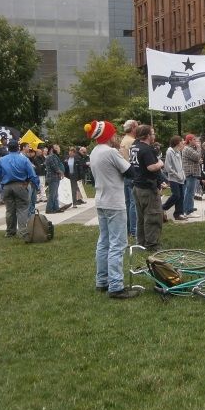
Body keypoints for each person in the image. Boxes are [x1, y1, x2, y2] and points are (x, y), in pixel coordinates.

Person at [84, 120, 140, 299]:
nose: (116, 137)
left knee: (104, 242)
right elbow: (131, 172)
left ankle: (102, 280)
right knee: (118, 243)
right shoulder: (111, 152)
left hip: (100, 200)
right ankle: (116, 285)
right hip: (115, 202)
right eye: (114, 134)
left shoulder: (94, 152)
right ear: (108, 136)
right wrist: (124, 156)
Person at [0, 140, 40, 239]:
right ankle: (22, 232)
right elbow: (32, 174)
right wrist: (37, 186)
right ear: (18, 148)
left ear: (8, 148)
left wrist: (2, 180)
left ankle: (10, 232)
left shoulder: (1, 160)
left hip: (6, 186)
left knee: (9, 210)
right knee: (22, 209)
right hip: (21, 185)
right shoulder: (24, 160)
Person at [129, 124, 164, 252]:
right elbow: (151, 167)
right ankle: (152, 245)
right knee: (153, 216)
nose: (154, 135)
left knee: (141, 217)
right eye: (152, 133)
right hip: (147, 188)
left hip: (137, 186)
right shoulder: (146, 149)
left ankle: (141, 242)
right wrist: (160, 163)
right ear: (148, 135)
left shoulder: (134, 147)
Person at [118, 120, 139, 237]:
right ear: (132, 128)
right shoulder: (132, 141)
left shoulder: (123, 140)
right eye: (137, 127)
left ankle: (127, 228)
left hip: (124, 174)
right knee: (133, 203)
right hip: (132, 173)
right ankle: (134, 230)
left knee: (127, 203)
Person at [161, 135, 186, 221]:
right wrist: (177, 175)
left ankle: (178, 214)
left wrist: (182, 175)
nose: (183, 144)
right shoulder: (170, 152)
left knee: (181, 196)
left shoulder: (178, 152)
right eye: (181, 142)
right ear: (177, 143)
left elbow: (180, 165)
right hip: (174, 178)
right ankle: (163, 208)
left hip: (181, 178)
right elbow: (168, 167)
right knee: (176, 195)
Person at [181, 134, 203, 217]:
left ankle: (187, 209)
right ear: (189, 140)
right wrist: (199, 148)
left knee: (189, 192)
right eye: (194, 139)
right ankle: (188, 211)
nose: (196, 141)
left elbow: (196, 159)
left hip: (191, 172)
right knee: (190, 192)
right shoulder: (188, 149)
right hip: (191, 173)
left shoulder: (188, 148)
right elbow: (197, 157)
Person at [44, 143, 64, 213]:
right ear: (52, 149)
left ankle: (56, 208)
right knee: (52, 194)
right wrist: (61, 172)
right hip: (53, 177)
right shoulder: (51, 157)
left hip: (55, 177)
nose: (57, 149)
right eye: (55, 148)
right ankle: (49, 209)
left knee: (55, 194)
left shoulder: (53, 156)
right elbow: (55, 167)